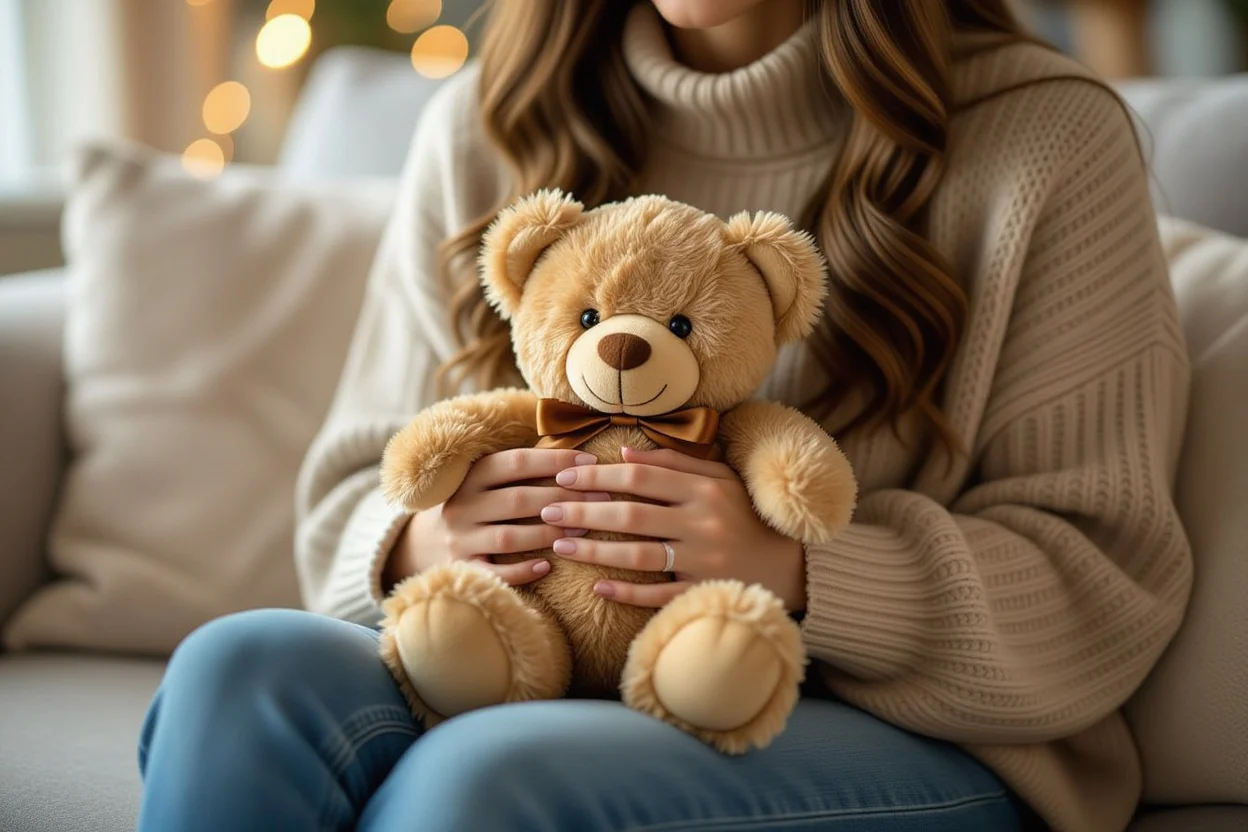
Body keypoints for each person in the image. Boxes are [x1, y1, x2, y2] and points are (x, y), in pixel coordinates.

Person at [135, 0, 1194, 830]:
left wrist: (797, 569)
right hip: (530, 670)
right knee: (236, 672)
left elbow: (1104, 584)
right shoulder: (488, 122)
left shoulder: (1047, 140)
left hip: (912, 732)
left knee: (483, 784)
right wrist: (418, 538)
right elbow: (348, 499)